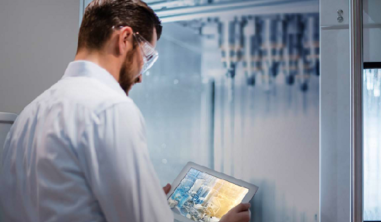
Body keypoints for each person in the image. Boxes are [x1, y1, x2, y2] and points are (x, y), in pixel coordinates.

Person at [0, 0, 251, 222]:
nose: (141, 77)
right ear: (125, 39)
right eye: (147, 56)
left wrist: (147, 201)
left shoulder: (30, 113)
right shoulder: (110, 108)